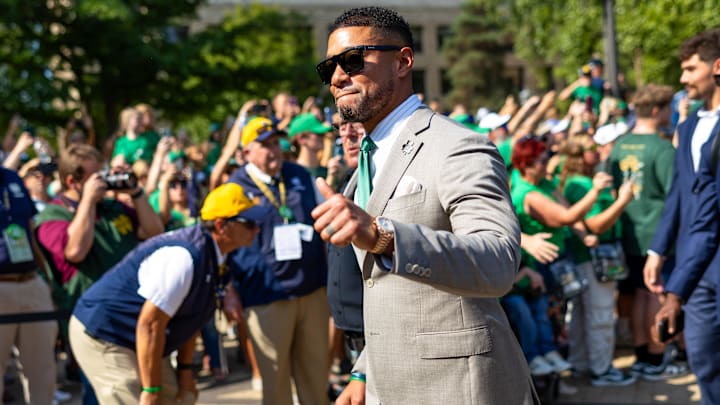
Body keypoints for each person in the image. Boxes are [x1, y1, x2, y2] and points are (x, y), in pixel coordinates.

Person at [311, 7, 537, 404]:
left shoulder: (456, 146)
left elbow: (500, 261)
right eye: (328, 67)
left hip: (457, 386)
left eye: (351, 60)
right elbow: (386, 290)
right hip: (388, 382)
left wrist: (383, 236)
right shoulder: (368, 158)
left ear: (403, 61)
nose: (337, 76)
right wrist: (365, 370)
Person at [68, 183, 266, 405]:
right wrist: (151, 390)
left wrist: (185, 370)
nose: (256, 229)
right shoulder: (183, 258)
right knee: (138, 399)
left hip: (142, 335)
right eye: (248, 223)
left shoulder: (219, 255)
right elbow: (150, 324)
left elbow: (192, 318)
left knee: (177, 398)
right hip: (106, 333)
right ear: (221, 226)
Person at [35, 144, 164, 404]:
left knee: (141, 388)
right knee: (103, 393)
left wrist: (136, 192)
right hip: (92, 322)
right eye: (97, 176)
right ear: (72, 181)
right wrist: (87, 202)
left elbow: (154, 232)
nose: (104, 182)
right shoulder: (53, 214)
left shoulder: (112, 208)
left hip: (131, 312)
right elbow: (75, 251)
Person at [227, 116, 329, 405]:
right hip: (266, 296)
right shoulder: (235, 189)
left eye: (276, 143)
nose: (274, 150)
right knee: (275, 385)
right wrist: (228, 291)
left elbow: (324, 222)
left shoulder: (298, 174)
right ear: (246, 152)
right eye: (264, 145)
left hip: (311, 291)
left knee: (315, 378)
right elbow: (224, 246)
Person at [645, 29, 720, 404]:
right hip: (695, 262)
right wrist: (658, 249)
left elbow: (711, 211)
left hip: (707, 256)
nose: (683, 78)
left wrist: (675, 289)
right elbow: (678, 192)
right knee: (704, 360)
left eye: (691, 68)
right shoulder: (688, 126)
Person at [607, 84, 677, 380]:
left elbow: (612, 189)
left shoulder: (620, 145)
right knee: (657, 297)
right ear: (658, 110)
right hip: (657, 235)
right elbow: (676, 195)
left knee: (638, 294)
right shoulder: (662, 148)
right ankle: (656, 357)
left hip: (630, 232)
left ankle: (640, 356)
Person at [560, 137, 637, 386]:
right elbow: (596, 225)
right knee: (601, 314)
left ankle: (582, 364)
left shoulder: (580, 181)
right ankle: (601, 370)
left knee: (584, 315)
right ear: (579, 156)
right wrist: (623, 202)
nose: (598, 151)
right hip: (594, 257)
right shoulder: (579, 184)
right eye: (592, 149)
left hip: (590, 257)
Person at [0, 166, 57, 405]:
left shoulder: (12, 177)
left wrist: (47, 278)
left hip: (31, 281)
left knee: (42, 369)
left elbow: (29, 231)